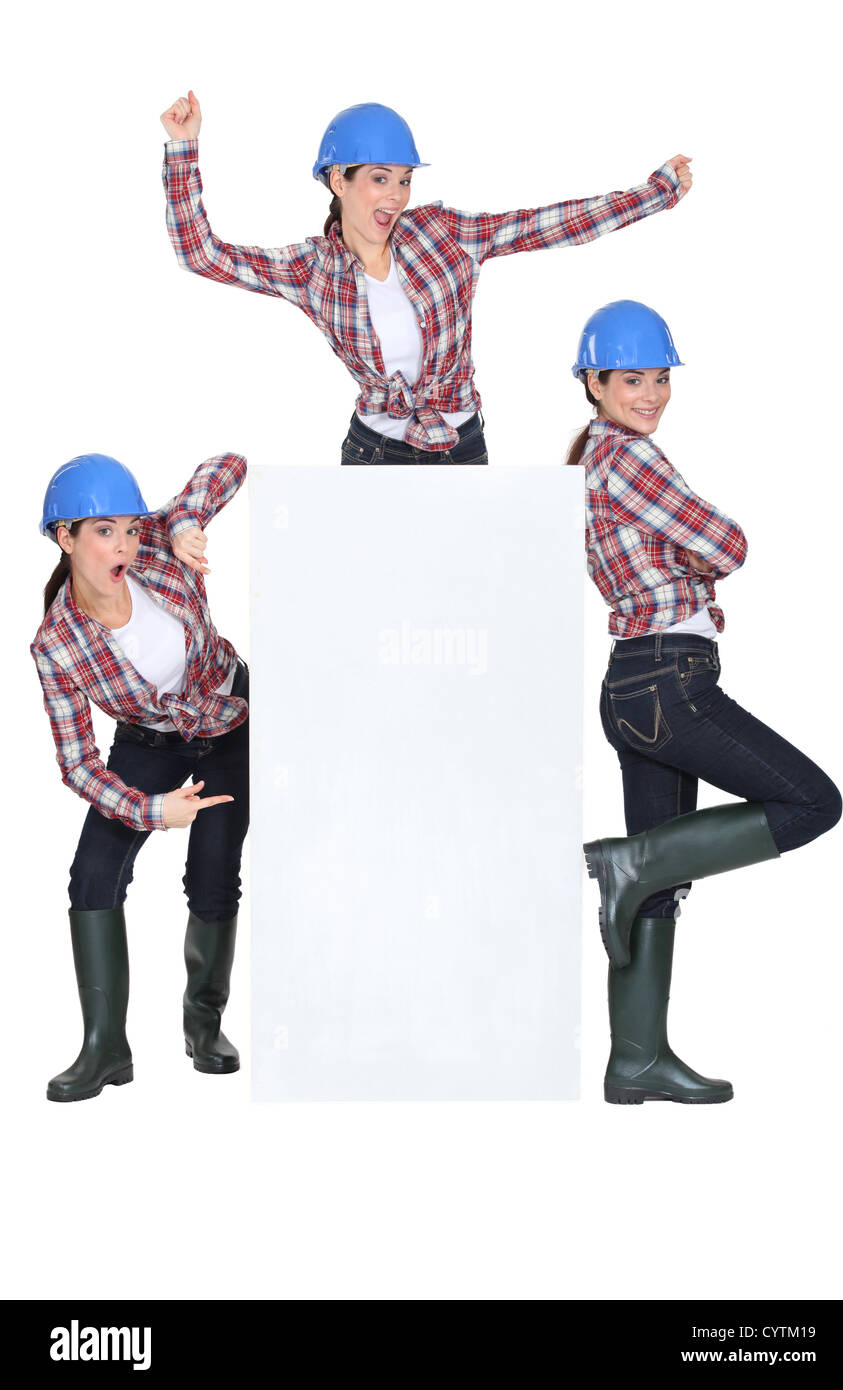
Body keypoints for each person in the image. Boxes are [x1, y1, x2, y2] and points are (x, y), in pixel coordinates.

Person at [571, 301, 842, 1105]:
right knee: (811, 802)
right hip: (669, 679)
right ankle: (623, 862)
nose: (650, 394)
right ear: (593, 381)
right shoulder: (630, 459)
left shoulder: (590, 458)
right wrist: (703, 561)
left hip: (631, 683)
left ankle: (636, 1060)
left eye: (660, 378)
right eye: (631, 378)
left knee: (658, 884)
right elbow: (730, 545)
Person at [161, 92, 693, 464]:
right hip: (374, 450)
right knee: (375, 610)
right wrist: (183, 149)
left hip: (460, 443)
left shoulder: (443, 235)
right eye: (378, 179)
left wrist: (656, 193)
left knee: (463, 613)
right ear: (336, 181)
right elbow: (202, 255)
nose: (395, 196)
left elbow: (547, 225)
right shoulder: (313, 269)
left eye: (404, 180)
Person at [32, 450, 250, 1102]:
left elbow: (229, 465)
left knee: (213, 878)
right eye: (104, 532)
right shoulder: (56, 644)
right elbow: (77, 762)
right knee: (93, 873)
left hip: (229, 724)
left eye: (129, 527)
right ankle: (105, 1048)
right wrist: (154, 809)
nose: (124, 543)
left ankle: (203, 1024)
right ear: (65, 538)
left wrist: (183, 521)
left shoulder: (157, 542)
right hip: (149, 747)